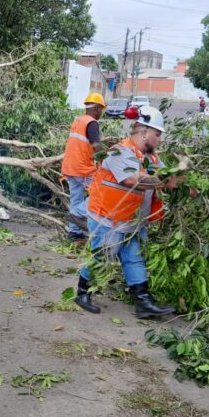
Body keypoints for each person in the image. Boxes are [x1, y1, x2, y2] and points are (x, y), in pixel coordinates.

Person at [73, 106, 181, 318]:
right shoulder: (120, 152)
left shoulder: (151, 158)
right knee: (103, 257)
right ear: (144, 133)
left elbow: (170, 179)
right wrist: (167, 179)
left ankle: (143, 302)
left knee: (135, 259)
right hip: (108, 218)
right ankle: (82, 293)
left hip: (132, 221)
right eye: (157, 135)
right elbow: (134, 180)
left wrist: (185, 179)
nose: (160, 140)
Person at [61, 93, 107, 240]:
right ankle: (77, 214)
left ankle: (74, 233)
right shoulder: (91, 122)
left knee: (76, 198)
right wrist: (107, 160)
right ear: (96, 108)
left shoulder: (78, 120)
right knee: (101, 193)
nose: (101, 113)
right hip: (83, 169)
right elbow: (95, 144)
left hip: (69, 166)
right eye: (101, 110)